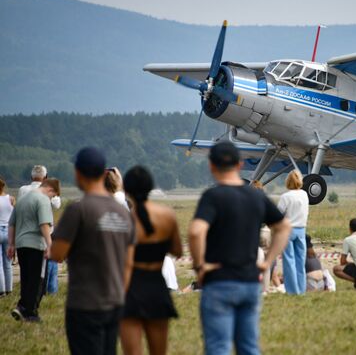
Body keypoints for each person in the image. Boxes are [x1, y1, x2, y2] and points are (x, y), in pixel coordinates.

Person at [188, 141, 291, 355]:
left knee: (218, 347)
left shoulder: (212, 196)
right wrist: (267, 262)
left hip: (219, 280)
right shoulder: (256, 195)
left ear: (211, 166)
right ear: (240, 164)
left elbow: (196, 231)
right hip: (249, 282)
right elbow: (283, 226)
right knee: (249, 347)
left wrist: (199, 266)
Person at [50, 147, 135, 355]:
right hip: (115, 301)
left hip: (85, 303)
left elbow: (56, 254)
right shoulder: (124, 212)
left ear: (78, 172)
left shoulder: (78, 209)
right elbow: (130, 262)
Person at [119, 166, 183, 355]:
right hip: (157, 287)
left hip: (131, 288)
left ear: (127, 191)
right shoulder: (167, 215)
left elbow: (126, 263)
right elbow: (177, 251)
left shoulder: (125, 220)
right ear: (150, 188)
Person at [8, 178, 60, 321]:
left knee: (26, 278)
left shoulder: (23, 199)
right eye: (53, 195)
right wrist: (50, 245)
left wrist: (11, 244)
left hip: (21, 244)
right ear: (50, 190)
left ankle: (22, 307)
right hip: (36, 244)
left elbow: (12, 223)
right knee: (36, 280)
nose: (52, 198)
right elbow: (44, 225)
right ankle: (30, 312)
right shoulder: (43, 200)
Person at [278, 170, 309, 295]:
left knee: (289, 261)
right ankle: (301, 290)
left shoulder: (286, 196)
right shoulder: (304, 194)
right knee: (300, 261)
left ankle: (292, 291)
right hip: (301, 229)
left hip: (288, 230)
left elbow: (279, 213)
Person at [0, 178, 15, 296]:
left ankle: (1, 290)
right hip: (8, 232)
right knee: (8, 262)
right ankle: (9, 289)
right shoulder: (11, 199)